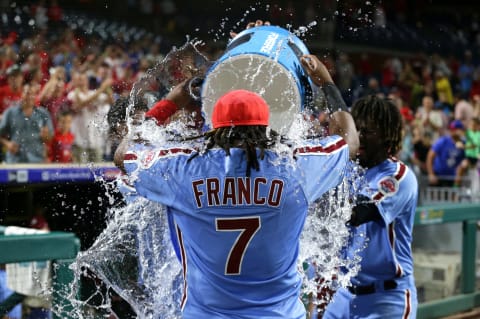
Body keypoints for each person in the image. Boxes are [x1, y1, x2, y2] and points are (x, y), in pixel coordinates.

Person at [114, 54, 358, 319]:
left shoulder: (184, 170)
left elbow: (124, 153)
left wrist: (173, 101)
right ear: (268, 125)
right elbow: (349, 142)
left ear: (213, 127)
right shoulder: (296, 167)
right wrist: (325, 82)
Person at [322, 95, 418, 319]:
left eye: (368, 131)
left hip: (386, 298)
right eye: (357, 130)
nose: (360, 138)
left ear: (386, 137)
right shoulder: (349, 170)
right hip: (345, 294)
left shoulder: (398, 175)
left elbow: (358, 212)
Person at [0, 83, 53, 163]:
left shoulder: (43, 114)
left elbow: (50, 137)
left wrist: (46, 136)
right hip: (15, 160)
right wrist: (7, 144)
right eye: (27, 93)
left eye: (33, 94)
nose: (29, 97)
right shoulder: (10, 113)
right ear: (22, 94)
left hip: (37, 160)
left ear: (36, 96)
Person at [426, 119, 466, 187]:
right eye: (452, 129)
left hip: (453, 179)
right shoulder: (443, 141)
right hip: (438, 177)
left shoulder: (464, 143)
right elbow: (430, 156)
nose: (453, 131)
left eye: (456, 129)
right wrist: (431, 174)